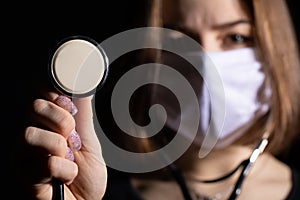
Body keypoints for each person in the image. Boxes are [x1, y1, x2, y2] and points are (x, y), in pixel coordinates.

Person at [14, 0, 300, 199]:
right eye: (181, 38)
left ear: (277, 51)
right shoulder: (92, 190)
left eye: (236, 37)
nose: (206, 60)